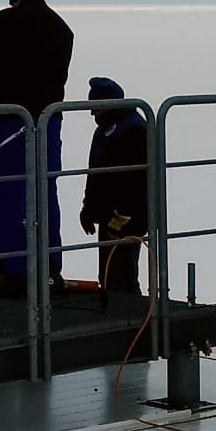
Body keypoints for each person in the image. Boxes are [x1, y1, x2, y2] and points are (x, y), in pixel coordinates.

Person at [0, 0, 74, 296]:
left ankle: (18, 274)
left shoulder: (8, 20)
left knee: (11, 195)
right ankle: (50, 269)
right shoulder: (60, 28)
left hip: (13, 121)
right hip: (49, 120)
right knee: (45, 193)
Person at [80, 76, 147, 295]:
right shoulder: (107, 128)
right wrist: (89, 209)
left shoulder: (133, 131)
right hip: (108, 216)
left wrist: (121, 219)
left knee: (122, 276)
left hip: (124, 220)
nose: (92, 114)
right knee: (110, 275)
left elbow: (135, 183)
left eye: (96, 108)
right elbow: (96, 173)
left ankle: (131, 312)